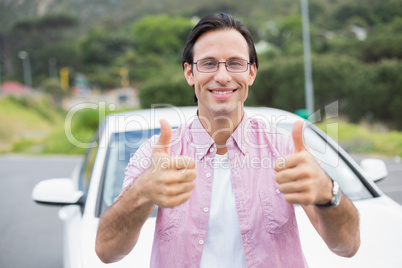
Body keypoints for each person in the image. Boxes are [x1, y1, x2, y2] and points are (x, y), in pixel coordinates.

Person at [95, 13, 360, 267]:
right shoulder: (155, 156)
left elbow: (347, 247)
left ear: (252, 73)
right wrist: (143, 191)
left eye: (235, 63)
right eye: (209, 63)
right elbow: (107, 251)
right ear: (190, 73)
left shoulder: (286, 150)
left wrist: (328, 191)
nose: (222, 77)